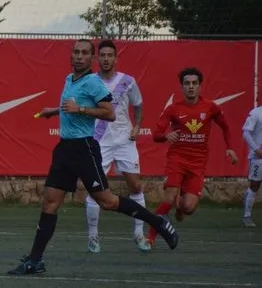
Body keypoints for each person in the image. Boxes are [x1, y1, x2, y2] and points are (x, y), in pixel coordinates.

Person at [9, 39, 179, 276]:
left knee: (107, 202)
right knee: (50, 202)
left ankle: (158, 222)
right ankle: (35, 260)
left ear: (92, 58)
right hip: (64, 149)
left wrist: (80, 109)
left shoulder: (93, 82)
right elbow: (71, 106)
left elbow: (109, 113)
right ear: (71, 56)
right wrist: (54, 111)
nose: (79, 56)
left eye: (85, 53)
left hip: (84, 149)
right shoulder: (69, 79)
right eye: (76, 52)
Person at [147, 67, 238, 244]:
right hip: (177, 159)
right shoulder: (173, 109)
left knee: (188, 207)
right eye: (187, 83)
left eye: (194, 83)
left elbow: (226, 127)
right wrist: (166, 136)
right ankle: (150, 237)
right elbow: (156, 135)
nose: (191, 86)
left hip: (198, 163)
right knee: (169, 197)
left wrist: (230, 148)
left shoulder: (210, 107)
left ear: (200, 86)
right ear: (182, 87)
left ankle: (180, 205)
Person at [84, 40, 151, 253]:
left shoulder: (128, 81)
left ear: (116, 58)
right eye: (102, 55)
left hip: (124, 141)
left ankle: (138, 234)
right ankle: (93, 237)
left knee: (136, 186)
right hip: (99, 141)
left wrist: (137, 125)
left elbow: (138, 105)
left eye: (109, 55)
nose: (106, 59)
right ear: (97, 58)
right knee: (95, 190)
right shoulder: (90, 81)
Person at [241, 105, 262, 227]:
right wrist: (256, 149)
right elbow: (246, 133)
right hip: (258, 157)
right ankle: (247, 216)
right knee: (255, 185)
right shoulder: (256, 113)